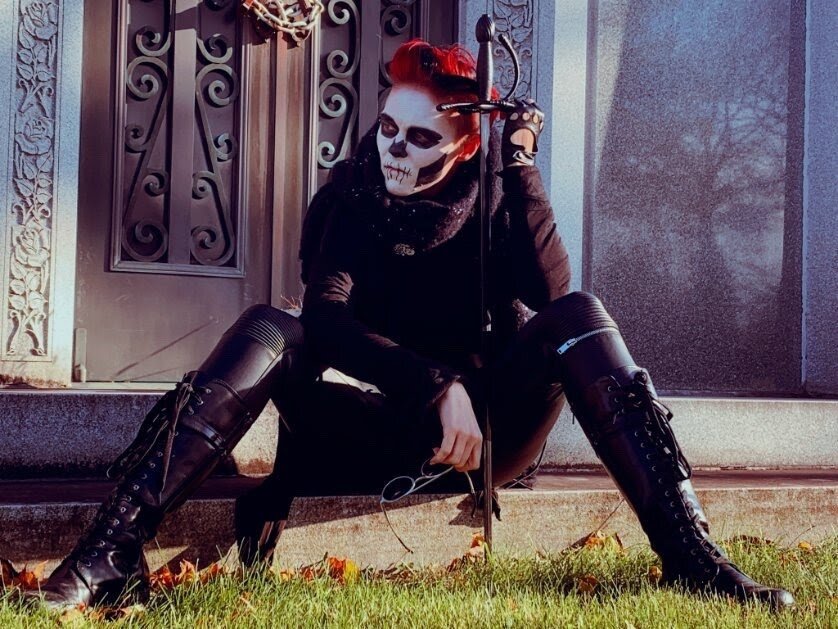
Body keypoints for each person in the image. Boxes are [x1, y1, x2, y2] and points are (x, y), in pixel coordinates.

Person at [30, 40, 793, 611]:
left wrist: (520, 165)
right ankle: (111, 548)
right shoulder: (352, 198)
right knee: (273, 323)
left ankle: (691, 554)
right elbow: (327, 318)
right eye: (389, 128)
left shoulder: (494, 195)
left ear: (465, 143)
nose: (395, 148)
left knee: (581, 314)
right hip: (379, 423)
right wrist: (435, 385)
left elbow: (553, 292)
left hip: (485, 438)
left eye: (421, 136)